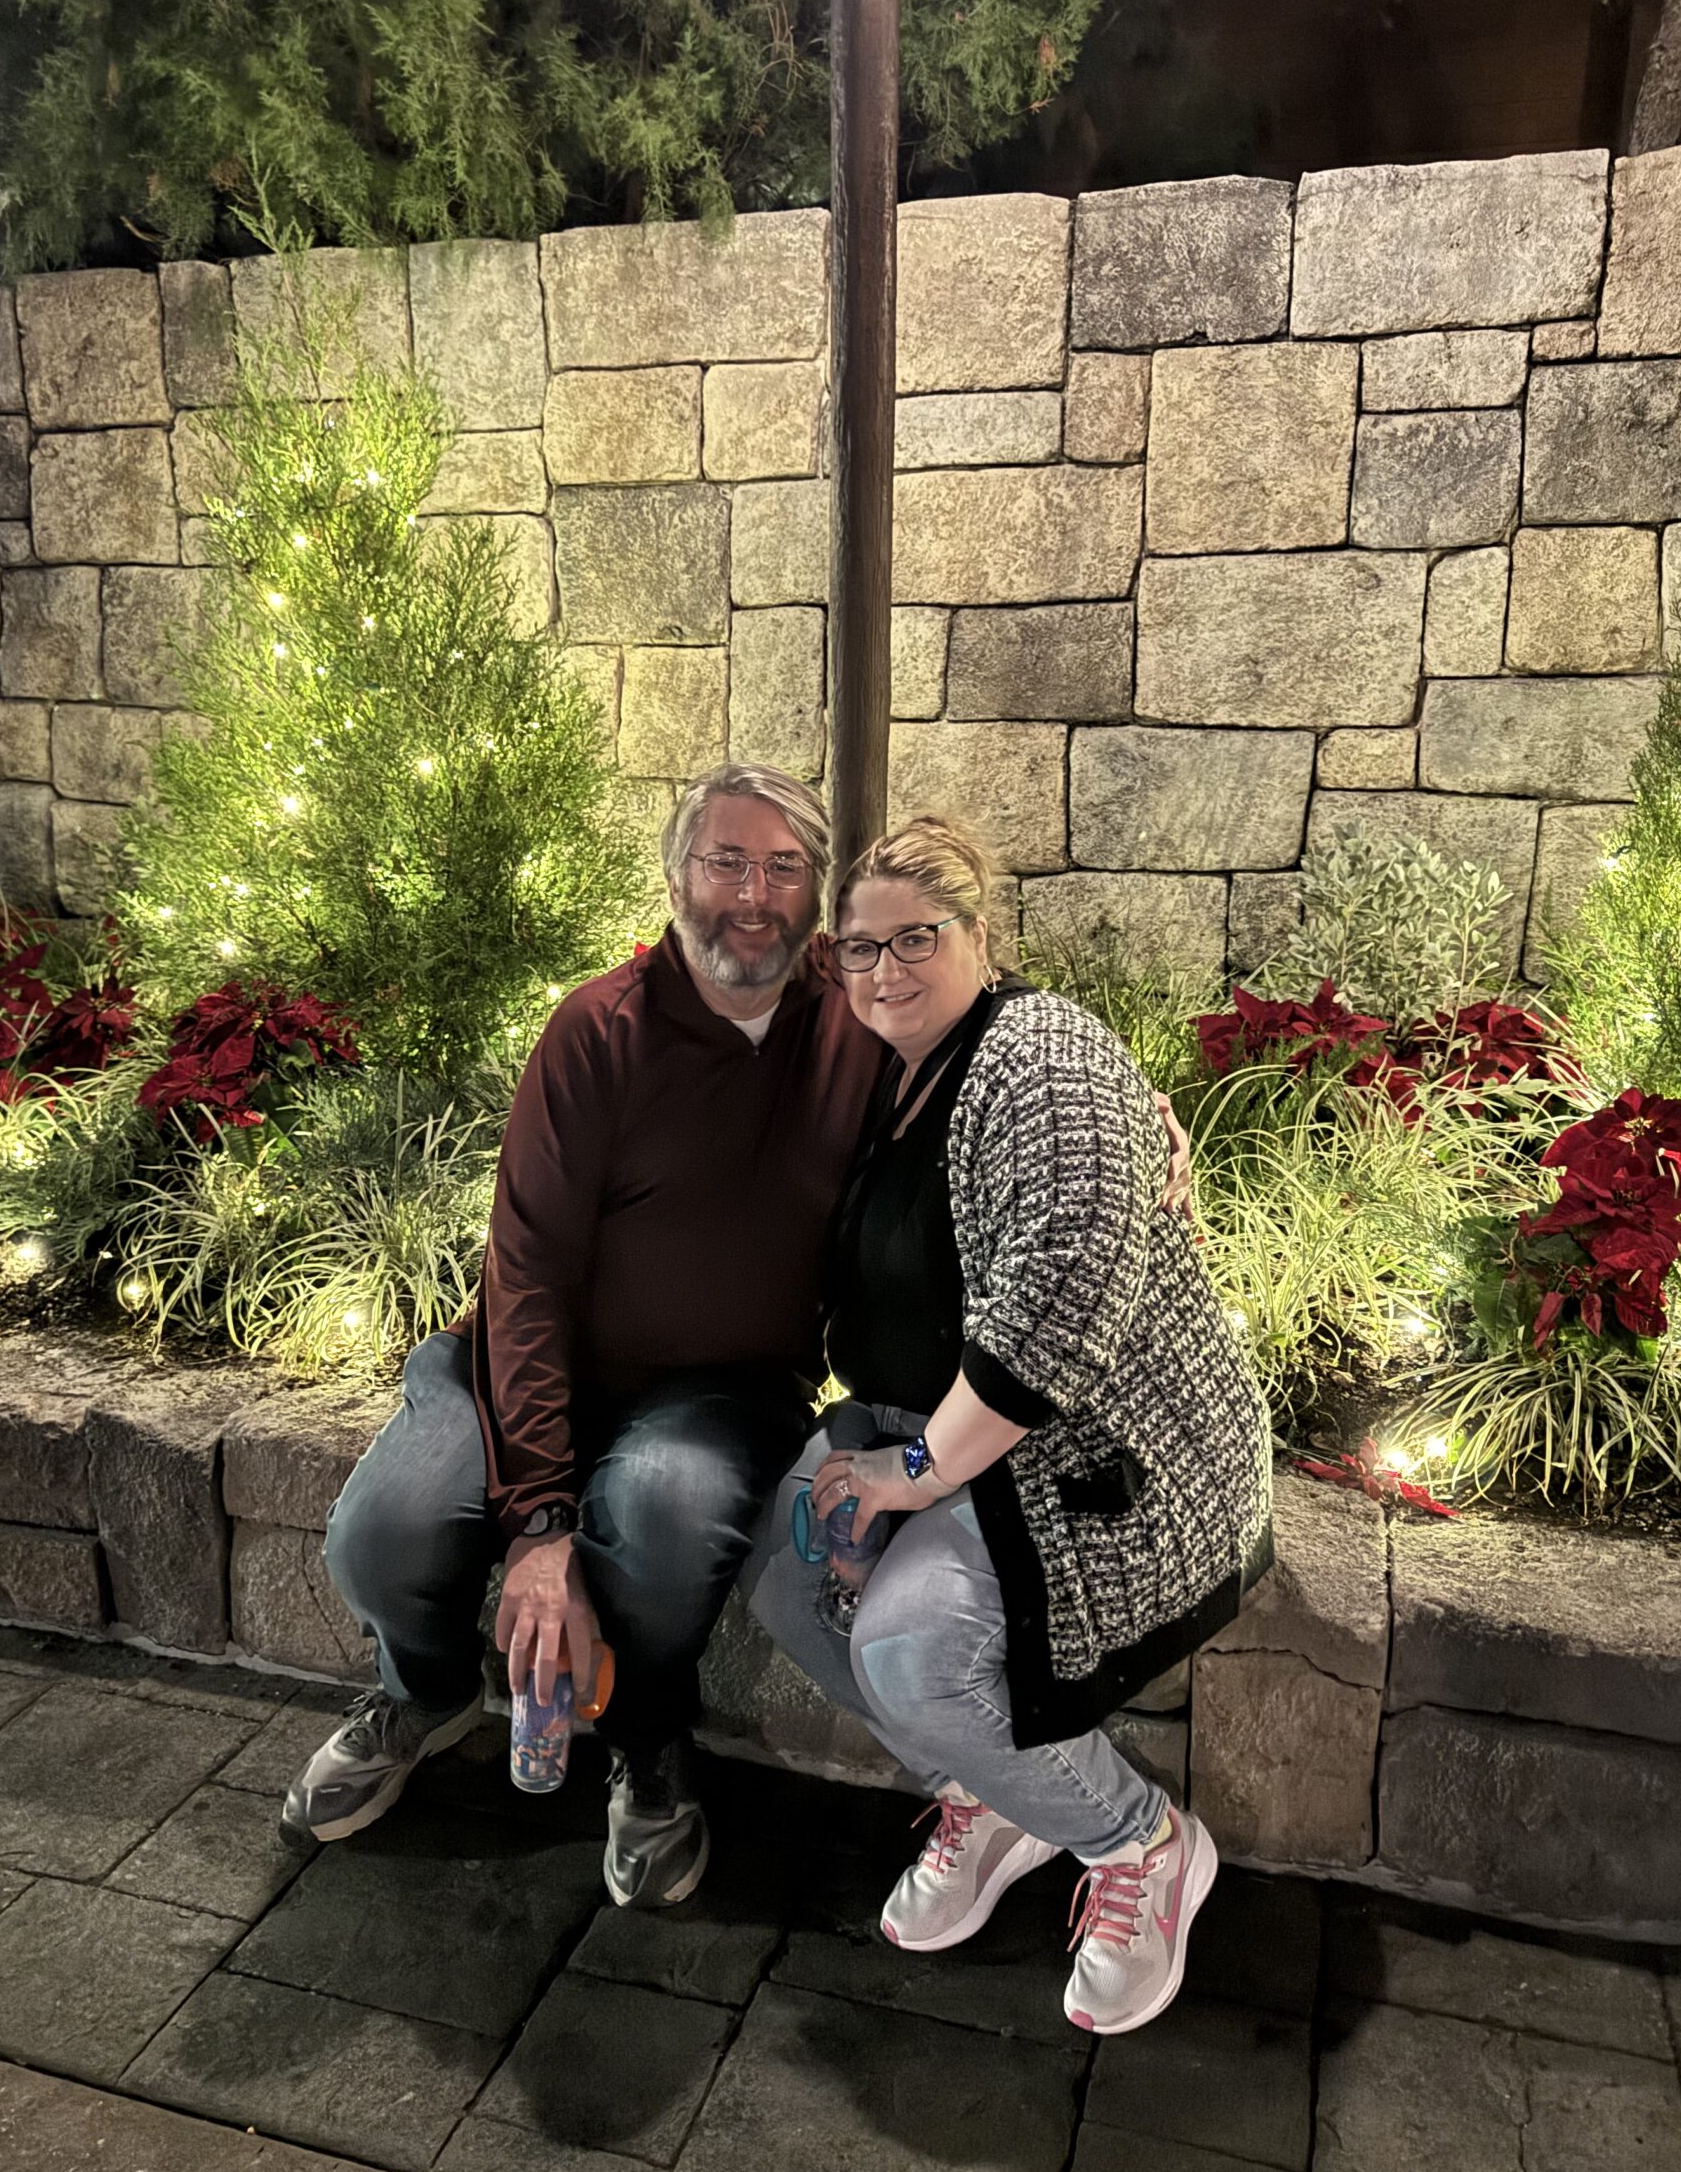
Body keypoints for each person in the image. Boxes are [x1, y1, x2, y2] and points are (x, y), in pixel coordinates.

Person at [280, 763, 1192, 1912]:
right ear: (676, 878)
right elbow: (527, 1282)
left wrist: (1135, 1112)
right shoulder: (595, 1032)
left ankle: (648, 1742)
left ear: (816, 894)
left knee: (664, 1518)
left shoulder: (857, 1013)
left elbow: (985, 1017)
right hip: (530, 1365)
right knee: (383, 1531)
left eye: (783, 867)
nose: (753, 896)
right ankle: (422, 1691)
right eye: (726, 862)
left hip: (719, 1390)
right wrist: (542, 1526)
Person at [745, 816, 1272, 2037]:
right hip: (926, 1425)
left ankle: (1139, 1841)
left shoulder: (1040, 1063)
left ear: (981, 935)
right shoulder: (871, 1057)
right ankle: (988, 1790)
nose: (885, 968)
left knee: (908, 1651)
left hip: (1093, 1457)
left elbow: (1055, 1325)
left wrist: (908, 1474)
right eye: (861, 946)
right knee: (786, 1569)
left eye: (916, 939)